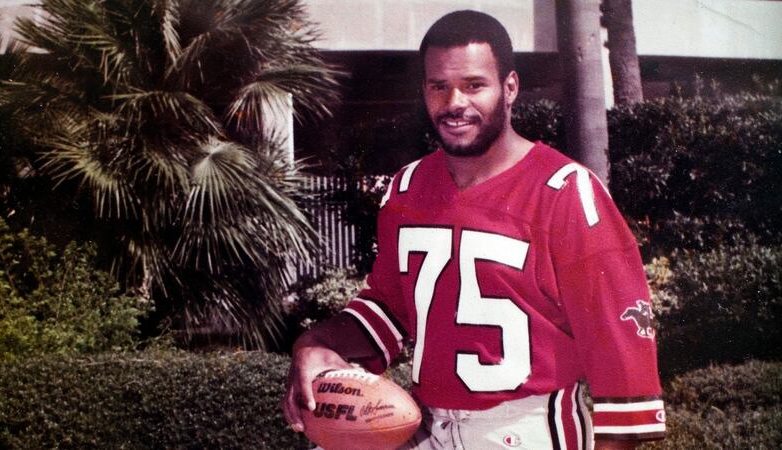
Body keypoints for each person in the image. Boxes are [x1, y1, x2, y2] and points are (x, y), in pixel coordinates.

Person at [283, 10, 665, 450]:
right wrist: (314, 343)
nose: (454, 103)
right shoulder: (408, 188)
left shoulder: (566, 193)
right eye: (438, 86)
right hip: (427, 431)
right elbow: (391, 309)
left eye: (473, 85)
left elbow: (623, 370)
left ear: (510, 88)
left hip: (532, 432)